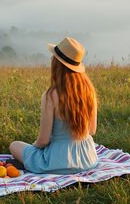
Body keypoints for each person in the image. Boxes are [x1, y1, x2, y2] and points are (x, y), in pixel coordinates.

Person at [9, 37, 98, 174]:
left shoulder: (51, 95)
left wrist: (33, 149)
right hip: (87, 160)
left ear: (57, 64)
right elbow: (91, 131)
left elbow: (43, 140)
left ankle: (29, 163)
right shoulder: (89, 90)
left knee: (14, 145)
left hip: (57, 163)